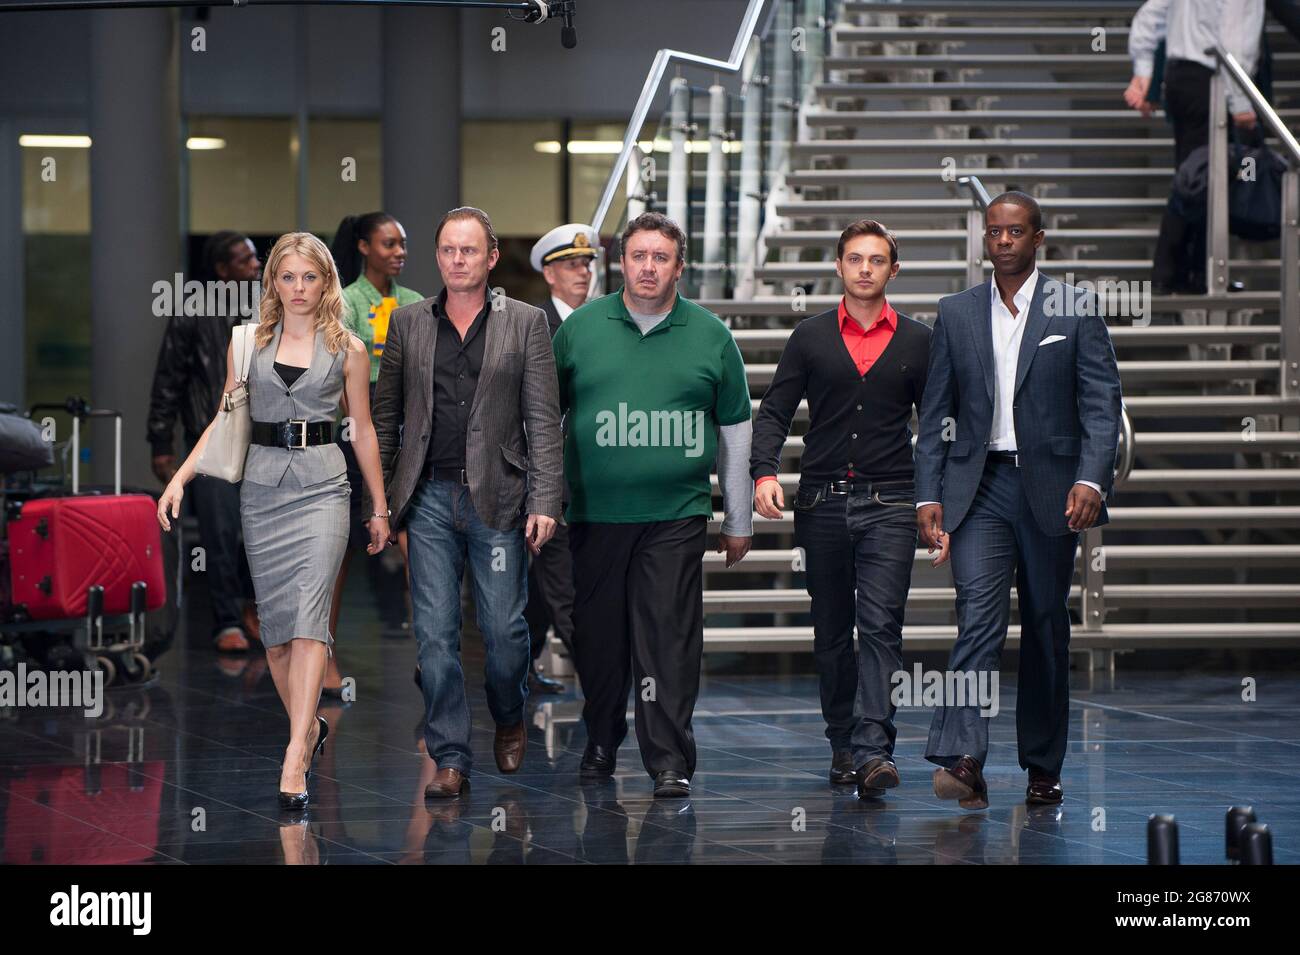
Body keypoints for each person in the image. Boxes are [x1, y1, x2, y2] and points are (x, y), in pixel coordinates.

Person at [156, 232, 391, 811]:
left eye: (310, 277)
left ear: (326, 282)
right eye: (288, 277)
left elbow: (361, 429)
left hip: (324, 488)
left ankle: (293, 753)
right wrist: (180, 477)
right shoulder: (247, 344)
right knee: (279, 637)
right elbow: (221, 420)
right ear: (273, 283)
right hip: (262, 490)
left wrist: (380, 507)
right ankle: (307, 727)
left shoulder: (349, 349)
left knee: (310, 623)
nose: (299, 289)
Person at [915, 193, 1122, 810]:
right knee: (977, 613)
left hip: (1054, 489)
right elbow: (936, 412)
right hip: (978, 486)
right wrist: (929, 492)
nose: (1003, 241)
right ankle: (963, 754)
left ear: (1038, 240)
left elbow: (1100, 402)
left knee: (1044, 623)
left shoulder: (1074, 305)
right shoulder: (955, 312)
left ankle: (1041, 765)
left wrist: (1091, 479)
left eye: (1015, 231)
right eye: (995, 231)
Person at [552, 212, 754, 799]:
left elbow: (735, 428)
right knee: (599, 638)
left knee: (667, 636)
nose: (647, 267)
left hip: (676, 513)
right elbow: (543, 419)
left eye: (660, 258)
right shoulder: (581, 330)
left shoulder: (711, 335)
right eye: (638, 256)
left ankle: (668, 758)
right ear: (621, 263)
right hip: (593, 514)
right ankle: (601, 736)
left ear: (678, 267)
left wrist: (736, 519)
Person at [369, 206, 564, 799]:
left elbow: (543, 420)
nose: (458, 260)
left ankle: (509, 713)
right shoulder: (407, 323)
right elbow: (385, 417)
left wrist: (545, 498)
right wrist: (382, 503)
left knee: (505, 634)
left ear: (491, 258)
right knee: (433, 634)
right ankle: (451, 754)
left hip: (499, 500)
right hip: (427, 498)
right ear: (438, 257)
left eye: (470, 251)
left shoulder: (526, 323)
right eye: (449, 250)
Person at [751, 219, 932, 799]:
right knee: (831, 630)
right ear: (838, 266)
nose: (864, 269)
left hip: (892, 503)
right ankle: (842, 743)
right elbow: (775, 411)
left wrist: (937, 501)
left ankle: (875, 748)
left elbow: (937, 428)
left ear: (892, 271)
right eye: (854, 258)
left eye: (876, 260)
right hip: (821, 502)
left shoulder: (918, 341)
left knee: (881, 627)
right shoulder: (809, 337)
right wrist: (763, 472)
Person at [321, 213, 424, 697]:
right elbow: (342, 376)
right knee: (340, 549)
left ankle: (432, 656)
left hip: (409, 427)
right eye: (389, 243)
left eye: (403, 243)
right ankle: (324, 654)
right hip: (358, 427)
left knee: (417, 545)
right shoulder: (345, 303)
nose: (400, 251)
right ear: (364, 247)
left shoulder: (417, 303)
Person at [146, 231, 261, 653]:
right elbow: (168, 381)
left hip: (264, 439)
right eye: (245, 260)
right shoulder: (192, 310)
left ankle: (256, 611)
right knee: (220, 532)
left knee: (260, 531)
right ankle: (227, 620)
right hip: (211, 437)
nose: (256, 266)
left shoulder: (266, 308)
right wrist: (161, 442)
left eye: (255, 258)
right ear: (221, 270)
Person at [1124, 0, 1265, 293]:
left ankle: (1192, 273)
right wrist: (1240, 101)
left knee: (1200, 176)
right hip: (1210, 82)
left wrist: (1144, 71)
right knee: (1199, 179)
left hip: (1181, 79)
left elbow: (1148, 18)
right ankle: (1171, 273)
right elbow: (1234, 38)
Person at [521, 222, 598, 694]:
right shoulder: (536, 326)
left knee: (543, 588)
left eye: (587, 264)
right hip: (550, 479)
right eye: (571, 265)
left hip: (592, 474)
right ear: (549, 275)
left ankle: (513, 669)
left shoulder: (601, 323)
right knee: (564, 585)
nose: (583, 273)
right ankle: (600, 681)